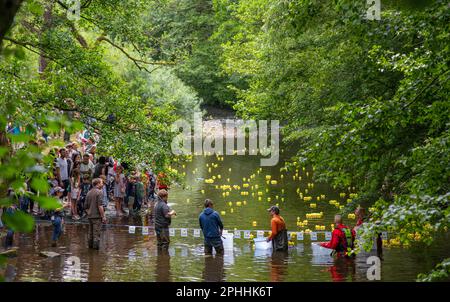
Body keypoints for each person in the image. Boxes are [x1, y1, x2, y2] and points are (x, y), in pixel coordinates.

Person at [84, 178, 107, 250]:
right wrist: (103, 217)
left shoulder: (89, 192)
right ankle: (95, 252)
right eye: (101, 183)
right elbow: (100, 206)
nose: (102, 184)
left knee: (90, 233)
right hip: (97, 217)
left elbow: (85, 206)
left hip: (90, 216)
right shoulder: (99, 192)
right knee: (96, 234)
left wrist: (89, 213)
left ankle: (90, 251)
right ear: (98, 184)